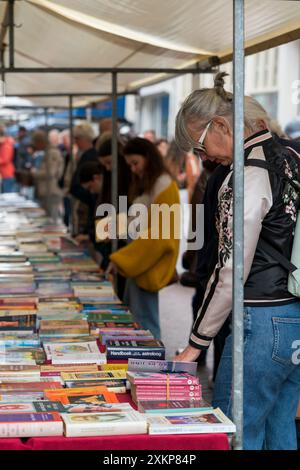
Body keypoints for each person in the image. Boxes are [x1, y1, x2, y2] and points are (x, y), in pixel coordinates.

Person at [174, 72, 300, 450]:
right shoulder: (291, 154)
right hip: (294, 314)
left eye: (199, 144)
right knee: (280, 426)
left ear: (221, 126)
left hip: (261, 319)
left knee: (232, 432)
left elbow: (231, 269)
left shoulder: (246, 173)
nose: (202, 157)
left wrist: (195, 344)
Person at [107, 137, 180, 339]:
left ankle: (152, 366)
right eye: (129, 164)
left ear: (148, 158)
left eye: (135, 163)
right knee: (140, 321)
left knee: (146, 325)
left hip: (145, 263)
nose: (133, 169)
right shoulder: (153, 184)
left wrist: (121, 258)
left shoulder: (163, 185)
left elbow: (160, 235)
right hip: (139, 263)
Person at [30, 130, 64, 220]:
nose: (35, 146)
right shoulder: (48, 152)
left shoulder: (52, 152)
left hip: (51, 191)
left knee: (52, 219)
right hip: (47, 191)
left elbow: (50, 172)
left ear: (40, 142)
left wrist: (35, 173)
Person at [0, 127, 15, 193]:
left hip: (7, 174)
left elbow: (5, 159)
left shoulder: (7, 145)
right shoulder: (4, 144)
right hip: (5, 173)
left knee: (7, 195)